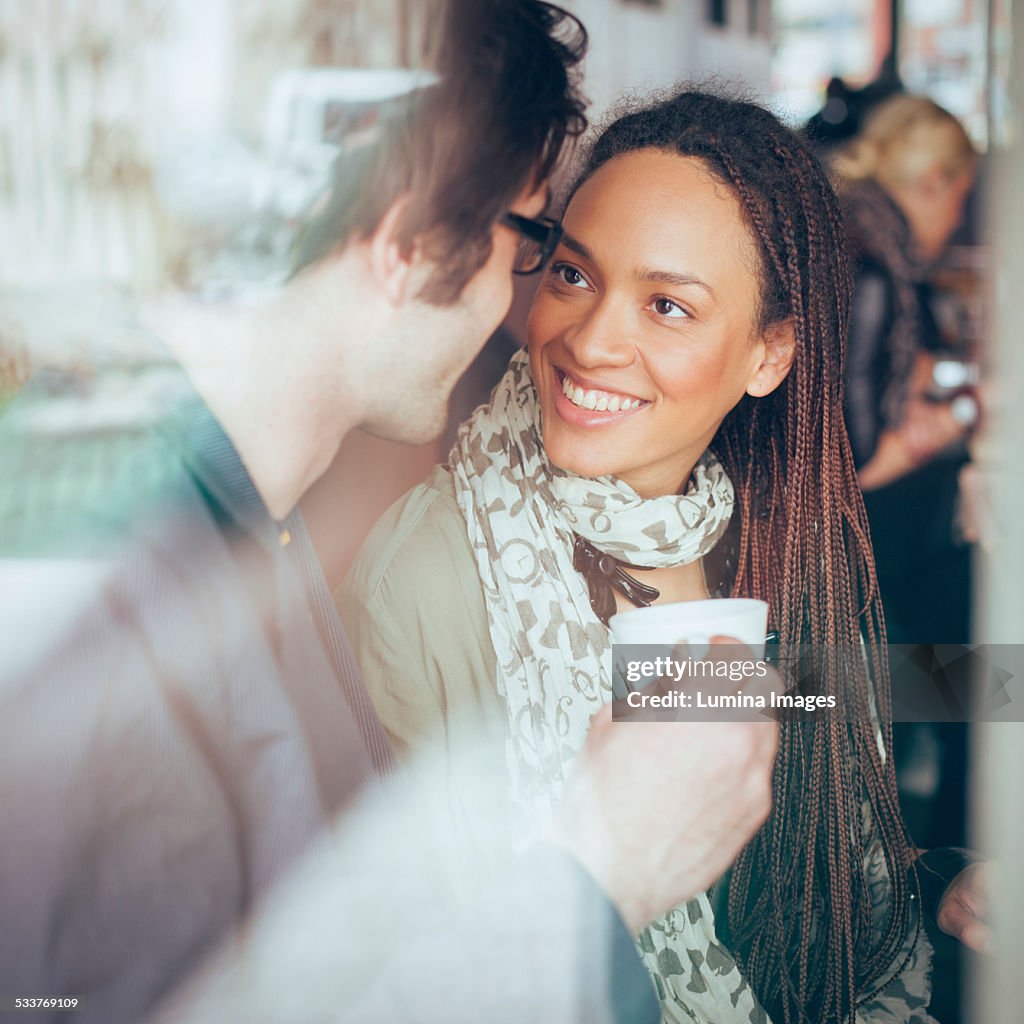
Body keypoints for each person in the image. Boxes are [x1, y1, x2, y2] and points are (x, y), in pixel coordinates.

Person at [0, 6, 780, 1024]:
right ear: (410, 237)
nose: (526, 298)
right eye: (533, 239)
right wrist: (598, 877)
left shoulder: (231, 539)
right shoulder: (108, 611)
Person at [340, 87, 991, 1024]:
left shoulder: (761, 543)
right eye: (572, 274)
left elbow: (779, 867)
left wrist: (942, 888)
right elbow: (413, 973)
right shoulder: (423, 583)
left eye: (667, 307)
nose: (594, 339)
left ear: (770, 358)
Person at [834, 94, 978, 644]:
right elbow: (858, 460)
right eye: (960, 198)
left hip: (829, 530)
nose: (958, 217)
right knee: (961, 564)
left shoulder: (855, 227)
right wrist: (961, 414)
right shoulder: (872, 268)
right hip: (830, 545)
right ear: (935, 180)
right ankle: (950, 719)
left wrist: (915, 404)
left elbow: (878, 377)